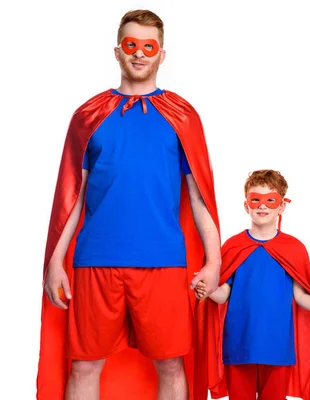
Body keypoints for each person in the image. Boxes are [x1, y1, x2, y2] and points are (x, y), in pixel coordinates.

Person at [37, 10, 221, 400]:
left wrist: (213, 261)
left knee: (171, 365)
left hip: (163, 262)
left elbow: (199, 196)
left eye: (148, 46)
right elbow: (73, 195)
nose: (139, 54)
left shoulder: (182, 117)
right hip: (95, 261)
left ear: (162, 55)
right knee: (85, 365)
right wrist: (55, 260)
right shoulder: (88, 116)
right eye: (131, 45)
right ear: (117, 51)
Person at [194, 170, 310, 400]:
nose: (263, 207)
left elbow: (301, 297)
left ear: (281, 207)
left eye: (270, 200)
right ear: (246, 206)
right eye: (256, 200)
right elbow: (223, 295)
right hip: (240, 343)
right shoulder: (232, 247)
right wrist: (208, 289)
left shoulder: (294, 249)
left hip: (278, 344)